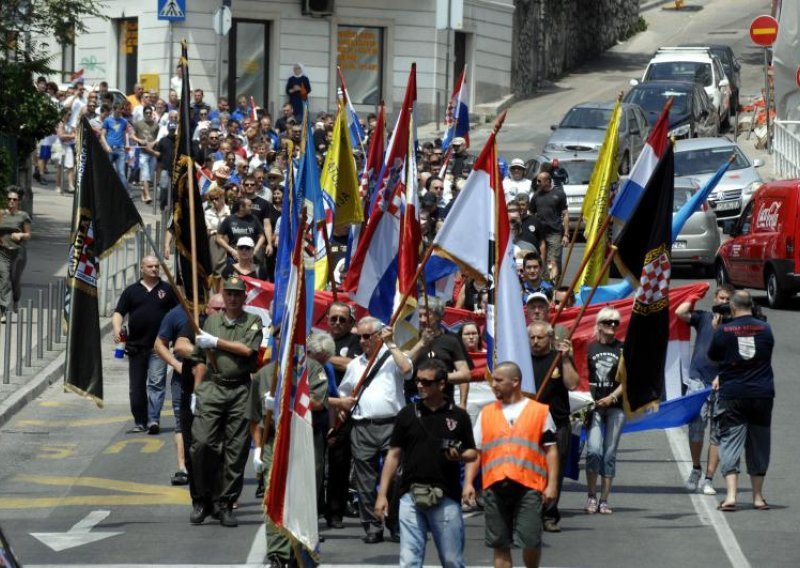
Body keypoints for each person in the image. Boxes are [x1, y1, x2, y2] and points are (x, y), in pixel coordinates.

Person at [374, 359, 478, 568]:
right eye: (418, 381)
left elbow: (472, 452)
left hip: (446, 494)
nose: (420, 385)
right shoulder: (407, 414)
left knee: (452, 559)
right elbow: (393, 455)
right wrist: (382, 494)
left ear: (441, 384)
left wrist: (461, 460)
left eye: (426, 382)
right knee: (410, 560)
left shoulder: (458, 415)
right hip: (409, 495)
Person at [463, 361, 559, 568]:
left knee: (531, 541)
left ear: (515, 382)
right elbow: (477, 452)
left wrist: (551, 485)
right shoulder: (487, 413)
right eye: (492, 381)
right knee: (500, 543)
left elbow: (551, 450)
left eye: (498, 380)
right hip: (494, 486)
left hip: (529, 487)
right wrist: (468, 483)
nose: (493, 385)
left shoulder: (539, 411)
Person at [329, 317, 413, 543]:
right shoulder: (355, 365)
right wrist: (343, 408)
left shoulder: (391, 357)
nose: (363, 341)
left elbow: (407, 369)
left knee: (396, 478)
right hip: (363, 426)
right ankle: (372, 527)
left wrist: (392, 344)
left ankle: (395, 523)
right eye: (360, 337)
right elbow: (345, 393)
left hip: (392, 425)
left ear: (378, 336)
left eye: (367, 336)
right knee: (364, 481)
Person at [189, 276, 263, 527]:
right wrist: (195, 391)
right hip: (212, 388)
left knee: (235, 451)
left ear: (244, 297)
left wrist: (216, 342)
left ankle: (226, 503)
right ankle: (201, 499)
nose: (232, 298)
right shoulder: (210, 321)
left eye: (237, 294)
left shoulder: (253, 321)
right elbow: (199, 359)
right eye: (229, 294)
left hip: (240, 390)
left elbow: (247, 350)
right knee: (202, 444)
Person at [708, 291, 775, 512]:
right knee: (759, 444)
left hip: (733, 393)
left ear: (733, 308)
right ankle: (757, 497)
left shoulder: (724, 331)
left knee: (730, 442)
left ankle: (730, 497)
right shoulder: (765, 329)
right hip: (761, 394)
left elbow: (713, 356)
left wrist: (717, 330)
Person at [675, 284, 734, 495]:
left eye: (728, 300)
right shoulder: (704, 317)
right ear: (715, 299)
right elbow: (680, 313)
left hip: (721, 383)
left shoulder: (735, 325)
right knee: (696, 427)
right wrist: (693, 295)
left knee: (717, 433)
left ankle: (709, 478)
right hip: (698, 380)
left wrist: (721, 330)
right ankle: (696, 469)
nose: (724, 302)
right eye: (722, 298)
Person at [112, 256, 178, 433]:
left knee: (156, 384)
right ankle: (140, 421)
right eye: (150, 266)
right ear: (141, 268)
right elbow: (119, 313)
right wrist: (117, 329)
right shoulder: (131, 291)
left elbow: (179, 313)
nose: (154, 269)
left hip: (159, 347)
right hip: (136, 347)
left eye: (157, 266)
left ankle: (153, 420)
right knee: (137, 387)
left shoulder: (167, 289)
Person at [527, 320, 578, 532]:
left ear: (550, 338)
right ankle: (529, 513)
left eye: (540, 337)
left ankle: (549, 515)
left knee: (553, 473)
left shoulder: (558, 359)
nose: (536, 342)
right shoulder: (522, 360)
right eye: (532, 338)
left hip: (557, 424)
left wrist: (565, 359)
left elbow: (572, 383)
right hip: (530, 424)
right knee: (530, 471)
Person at [324, 302, 362, 529]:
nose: (337, 323)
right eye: (333, 318)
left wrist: (324, 357)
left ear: (350, 322)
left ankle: (336, 510)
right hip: (322, 407)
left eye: (342, 319)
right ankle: (322, 507)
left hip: (346, 410)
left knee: (342, 462)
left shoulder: (356, 342)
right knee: (322, 464)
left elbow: (353, 364)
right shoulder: (320, 340)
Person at [584, 307, 625, 515]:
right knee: (593, 451)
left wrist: (612, 397)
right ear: (599, 324)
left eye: (615, 323)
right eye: (608, 322)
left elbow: (628, 379)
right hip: (594, 407)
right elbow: (583, 376)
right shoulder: (589, 348)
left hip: (616, 406)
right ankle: (591, 495)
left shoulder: (623, 349)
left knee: (609, 453)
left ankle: (604, 500)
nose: (612, 326)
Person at [405, 296, 471, 407]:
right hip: (414, 404)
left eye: (427, 315)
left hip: (443, 404)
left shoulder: (451, 340)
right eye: (419, 315)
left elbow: (465, 375)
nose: (422, 320)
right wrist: (421, 343)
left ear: (438, 316)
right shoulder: (409, 338)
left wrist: (440, 377)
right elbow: (404, 366)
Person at [153, 304, 190, 486]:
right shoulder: (175, 314)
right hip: (182, 379)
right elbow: (159, 344)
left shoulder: (214, 311)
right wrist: (176, 365)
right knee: (181, 422)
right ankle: (183, 467)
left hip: (211, 379)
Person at [0, 188, 32, 324]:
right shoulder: (1, 214)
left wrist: (20, 235)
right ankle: (4, 311)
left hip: (18, 253)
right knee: (4, 280)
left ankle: (16, 300)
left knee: (14, 280)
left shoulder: (23, 216)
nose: (11, 202)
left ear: (19, 201)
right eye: (9, 199)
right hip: (3, 252)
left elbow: (28, 235)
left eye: (14, 199)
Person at [529, 171, 569, 277]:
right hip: (540, 234)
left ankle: (554, 287)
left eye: (539, 181)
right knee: (541, 261)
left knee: (553, 261)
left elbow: (565, 214)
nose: (537, 183)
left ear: (547, 181)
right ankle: (544, 285)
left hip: (555, 233)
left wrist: (566, 234)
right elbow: (531, 213)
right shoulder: (536, 195)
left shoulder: (559, 194)